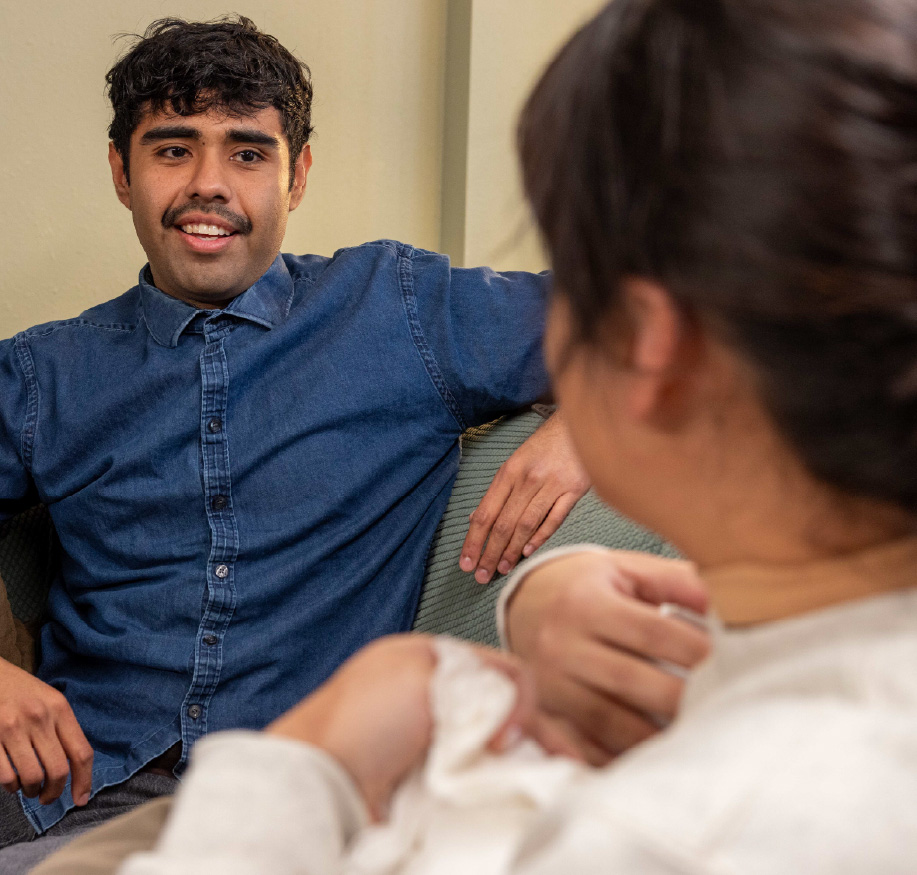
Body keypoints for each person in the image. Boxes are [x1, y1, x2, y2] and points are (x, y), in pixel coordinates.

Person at [99, 0, 917, 871]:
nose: (210, 183)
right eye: (175, 147)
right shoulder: (803, 642)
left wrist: (324, 747)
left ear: (646, 346)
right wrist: (547, 586)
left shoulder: (646, 837)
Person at [0, 14, 710, 870]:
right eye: (173, 149)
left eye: (249, 152)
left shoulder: (398, 308)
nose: (209, 185)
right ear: (123, 172)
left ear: (297, 174)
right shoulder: (45, 373)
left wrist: (586, 426)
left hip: (300, 789)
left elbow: (667, 313)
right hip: (62, 787)